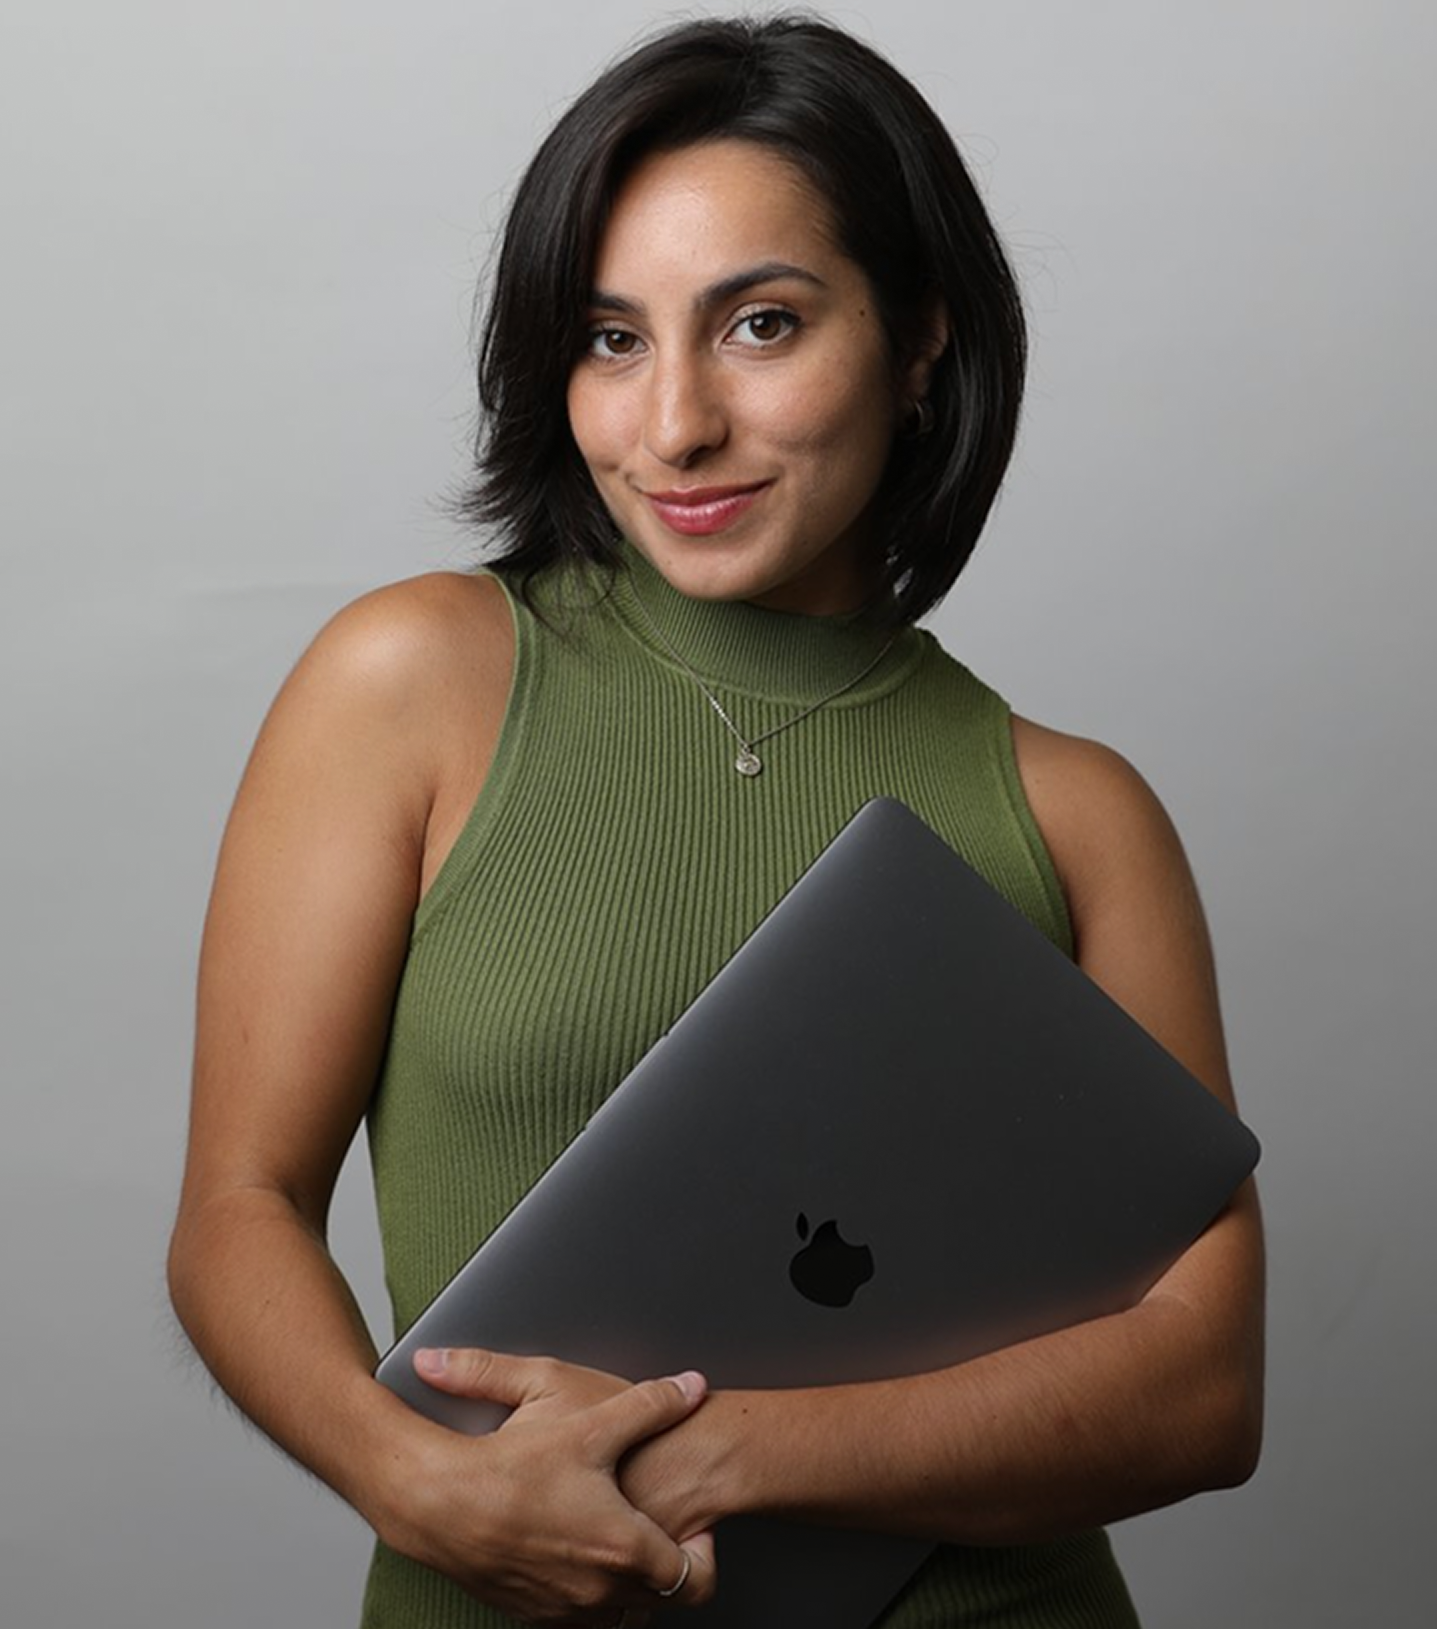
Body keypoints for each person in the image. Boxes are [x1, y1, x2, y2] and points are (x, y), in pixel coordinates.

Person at [167, 15, 1264, 1629]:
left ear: (919, 340)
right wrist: (418, 1483)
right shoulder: (413, 682)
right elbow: (235, 1210)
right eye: (611, 339)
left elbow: (1204, 1386)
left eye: (760, 324)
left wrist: (733, 1454)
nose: (673, 425)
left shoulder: (1079, 817)